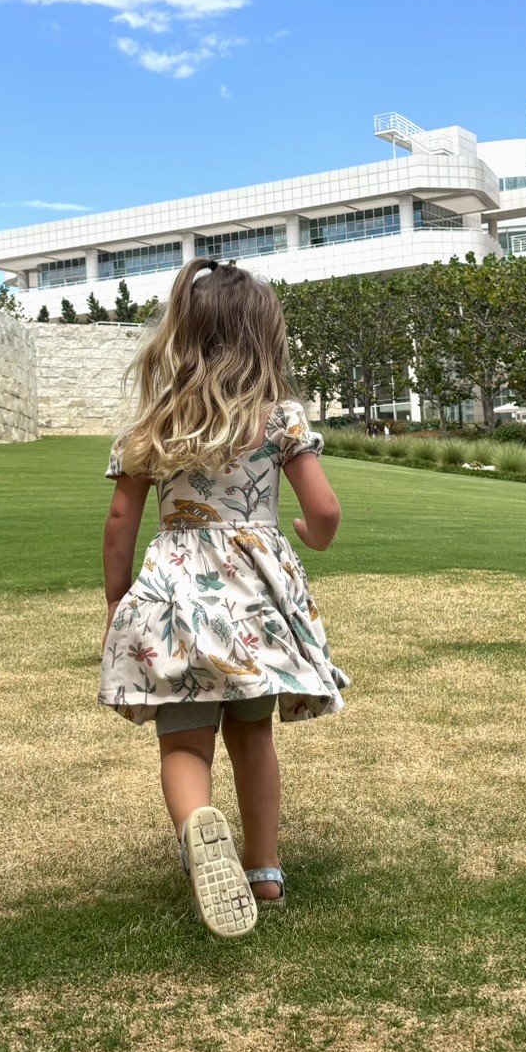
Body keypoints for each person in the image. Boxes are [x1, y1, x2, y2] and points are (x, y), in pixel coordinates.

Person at [99, 259, 349, 939]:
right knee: (251, 731)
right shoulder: (281, 420)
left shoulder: (152, 425)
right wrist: (310, 535)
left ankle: (194, 830)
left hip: (177, 593)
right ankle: (264, 869)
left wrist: (120, 606)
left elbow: (120, 526)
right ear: (263, 336)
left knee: (183, 741)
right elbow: (324, 509)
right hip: (252, 601)